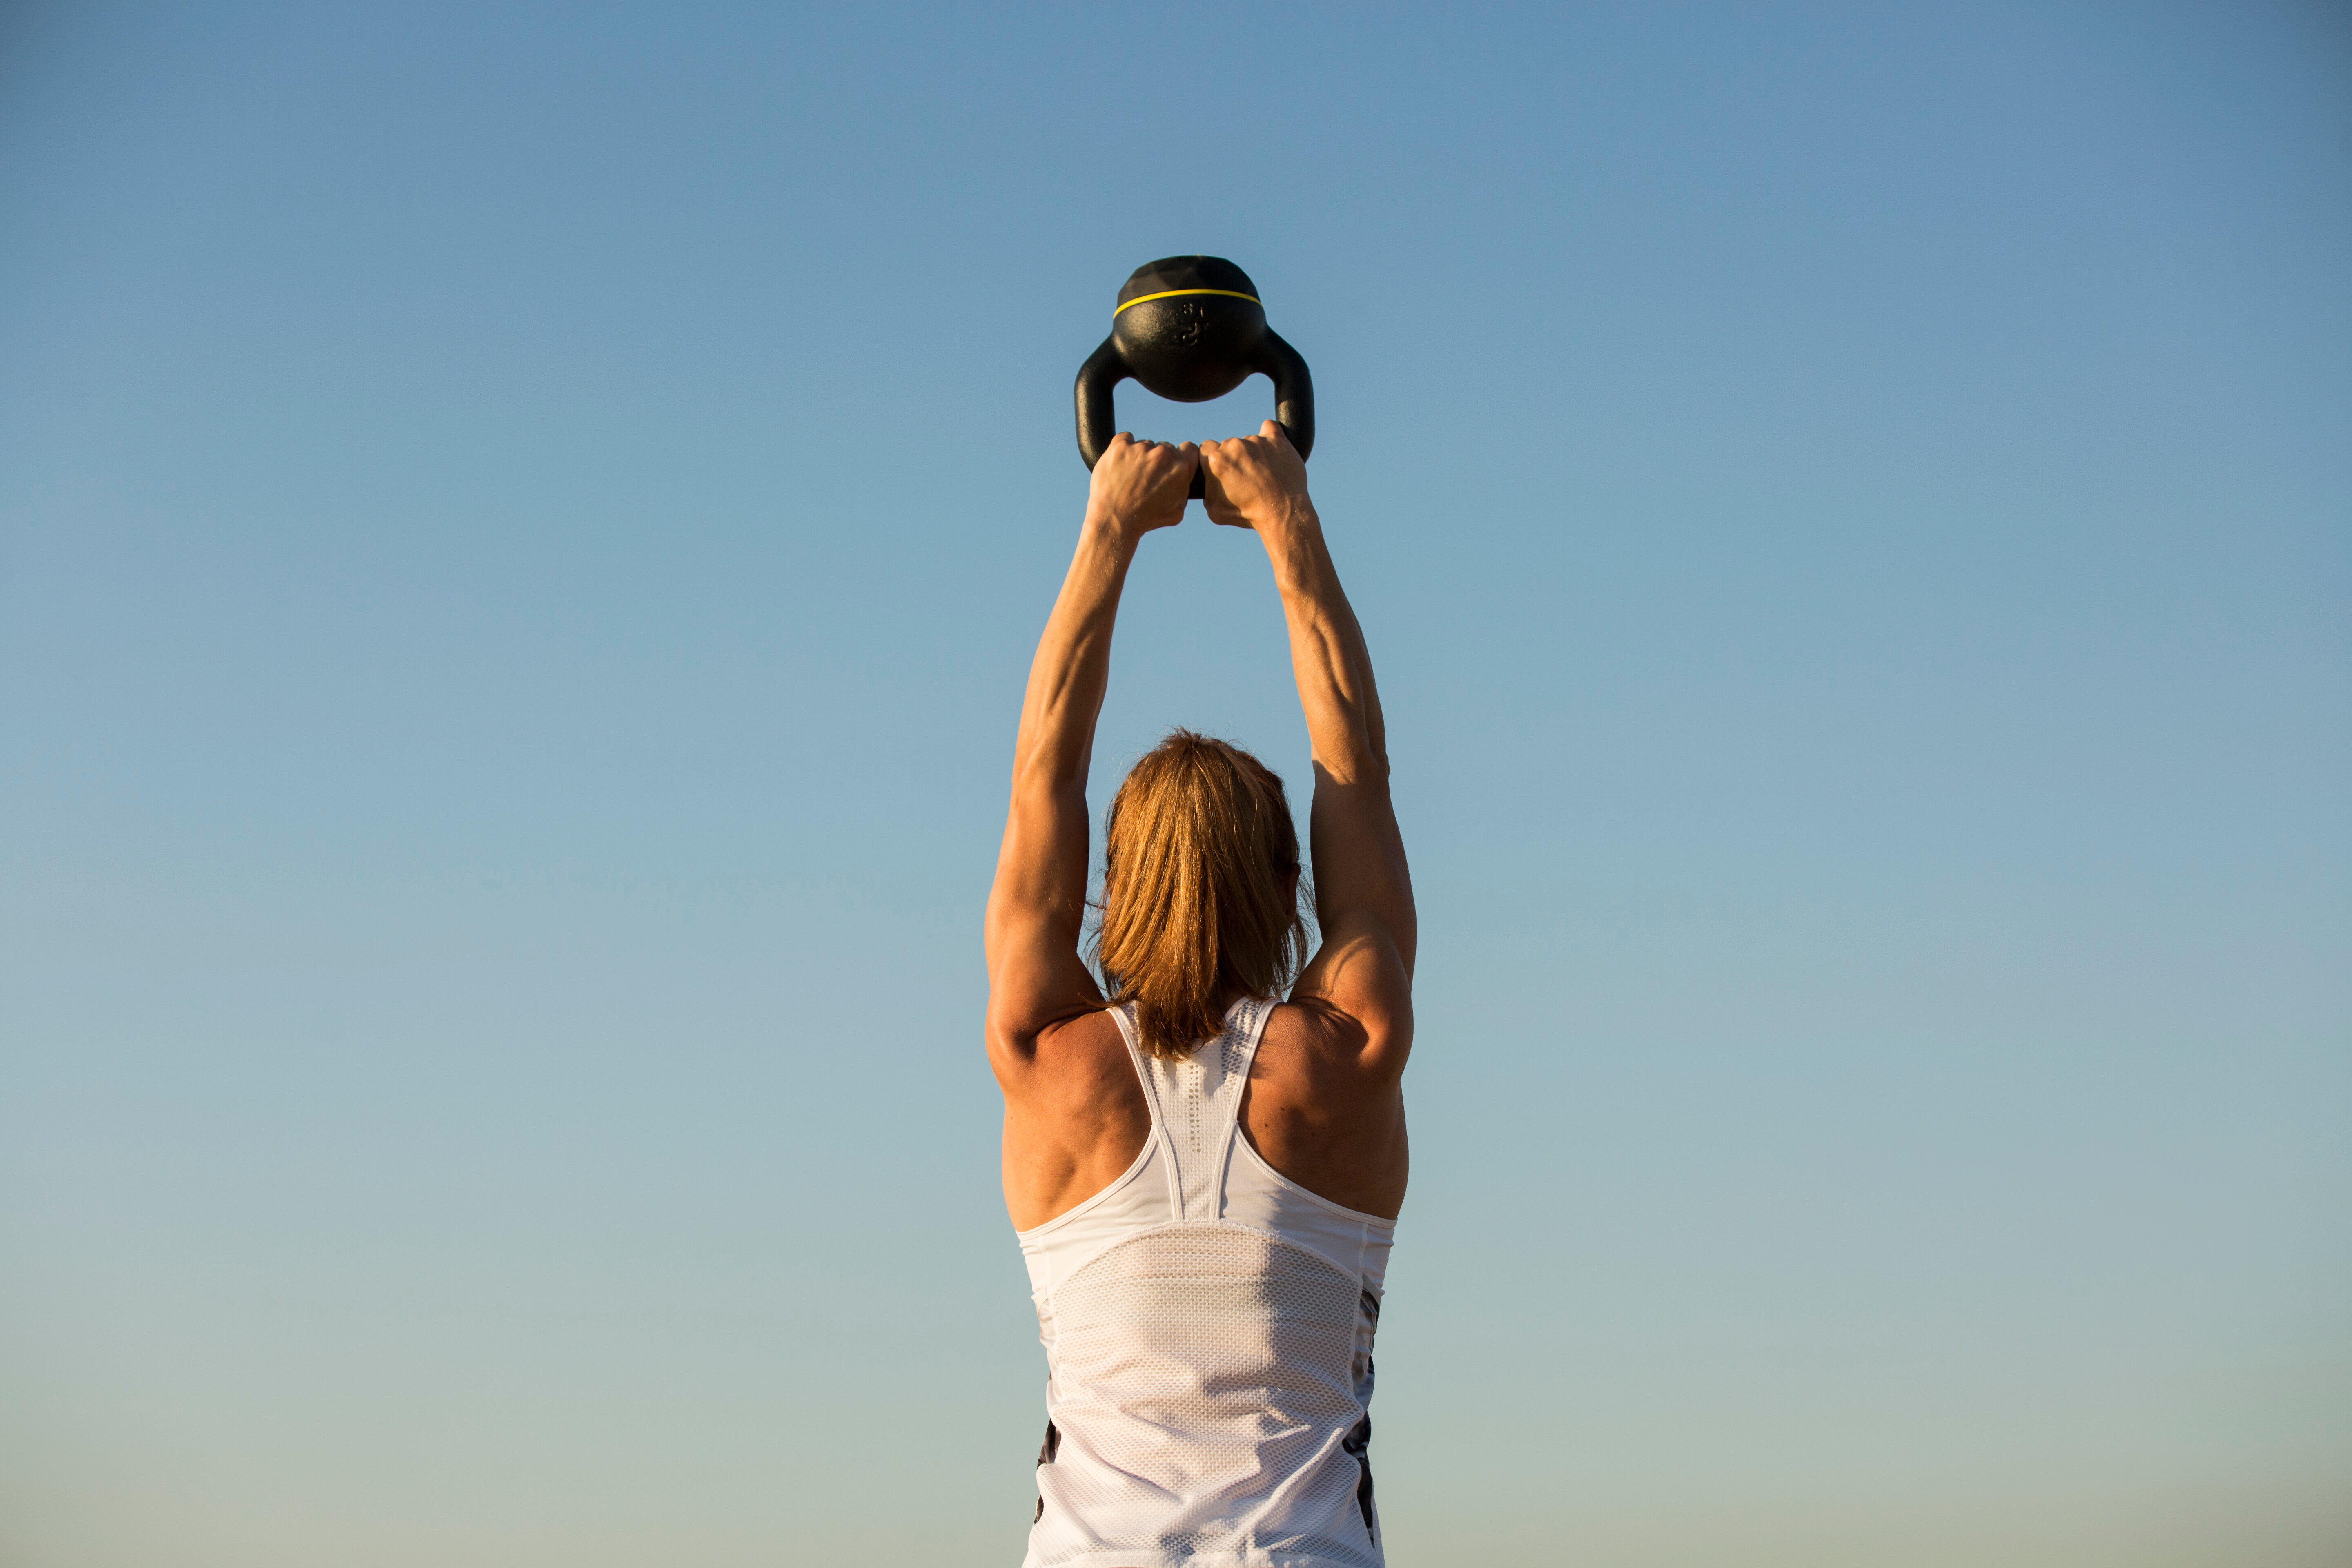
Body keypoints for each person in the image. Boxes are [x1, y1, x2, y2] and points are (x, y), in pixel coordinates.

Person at [985, 421, 1415, 1568]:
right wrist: (1289, 524)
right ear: (1292, 889)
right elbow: (1356, 771)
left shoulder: (1044, 1056)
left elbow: (1046, 776)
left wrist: (1109, 531)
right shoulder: (1351, 1050)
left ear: (1113, 886)